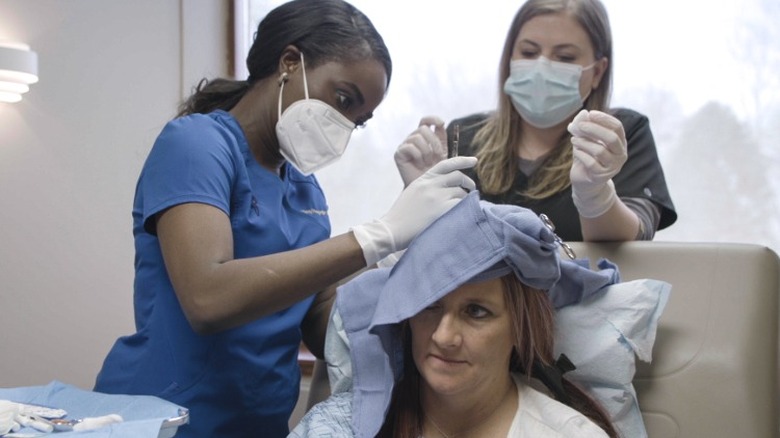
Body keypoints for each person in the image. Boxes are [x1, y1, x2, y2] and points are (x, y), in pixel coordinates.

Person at [92, 1, 476, 437]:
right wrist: (380, 234)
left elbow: (319, 317)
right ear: (290, 62)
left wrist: (415, 258)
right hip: (166, 419)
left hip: (258, 424)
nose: (345, 125)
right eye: (342, 99)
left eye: (359, 120)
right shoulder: (198, 144)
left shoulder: (304, 188)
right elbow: (208, 299)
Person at [289, 191, 625, 438]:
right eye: (429, 305)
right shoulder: (339, 428)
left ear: (521, 329)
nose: (443, 337)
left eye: (476, 311)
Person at [402, 0, 676, 242]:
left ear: (597, 72)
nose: (541, 67)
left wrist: (595, 193)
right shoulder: (465, 136)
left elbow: (633, 240)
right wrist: (419, 193)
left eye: (565, 57)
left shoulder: (620, 135)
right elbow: (437, 249)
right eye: (529, 53)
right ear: (510, 57)